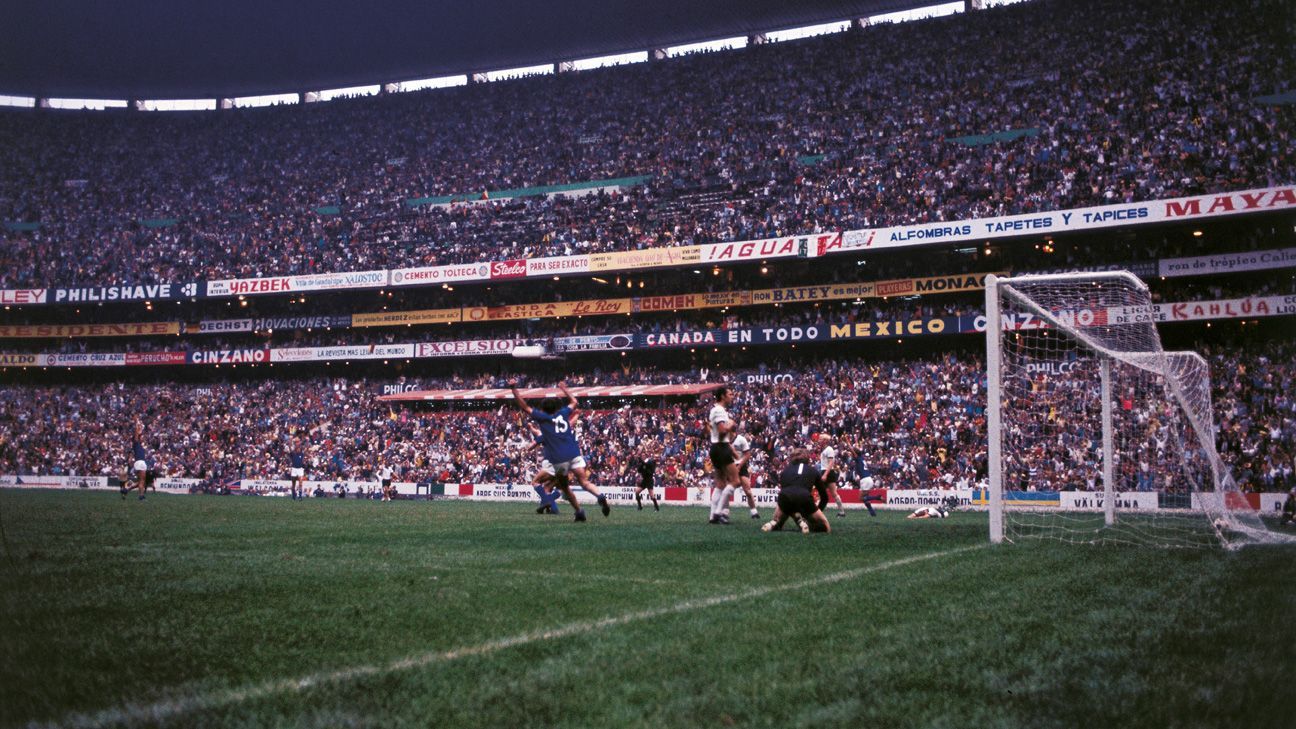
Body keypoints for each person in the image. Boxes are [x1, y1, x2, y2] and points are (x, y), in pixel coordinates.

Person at [509, 379, 611, 522]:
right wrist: (564, 389)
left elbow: (525, 407)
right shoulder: (563, 413)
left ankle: (579, 511)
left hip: (559, 459)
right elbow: (574, 402)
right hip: (574, 453)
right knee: (584, 482)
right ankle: (599, 496)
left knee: (565, 487)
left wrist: (513, 388)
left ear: (543, 409)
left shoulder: (543, 418)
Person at [761, 449, 831, 534]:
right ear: (807, 458)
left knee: (780, 519)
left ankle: (775, 522)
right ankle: (803, 521)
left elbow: (785, 493)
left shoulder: (785, 471)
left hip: (785, 497)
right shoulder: (813, 471)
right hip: (804, 498)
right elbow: (824, 497)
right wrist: (815, 510)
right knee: (825, 528)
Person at [706, 386, 741, 525]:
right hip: (721, 447)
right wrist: (731, 424)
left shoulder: (716, 410)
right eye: (730, 394)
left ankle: (712, 516)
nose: (733, 396)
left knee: (720, 483)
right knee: (735, 481)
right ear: (722, 396)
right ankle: (718, 512)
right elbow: (722, 431)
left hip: (716, 447)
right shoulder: (719, 411)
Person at [725, 433, 760, 520]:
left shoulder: (741, 439)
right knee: (726, 492)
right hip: (730, 467)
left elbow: (747, 455)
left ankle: (754, 512)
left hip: (741, 467)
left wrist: (739, 466)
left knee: (748, 491)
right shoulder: (724, 440)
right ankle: (725, 513)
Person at [626, 443, 660, 512]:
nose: (643, 456)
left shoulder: (650, 461)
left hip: (649, 480)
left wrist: (639, 459)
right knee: (637, 492)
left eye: (644, 455)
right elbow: (639, 470)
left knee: (651, 495)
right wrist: (638, 463)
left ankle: (656, 508)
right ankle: (640, 506)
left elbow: (647, 466)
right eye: (642, 455)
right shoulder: (642, 463)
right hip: (644, 480)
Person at [818, 440, 847, 518]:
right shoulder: (825, 450)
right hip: (827, 472)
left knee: (819, 493)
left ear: (824, 441)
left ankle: (815, 512)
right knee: (833, 493)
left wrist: (825, 474)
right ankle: (841, 512)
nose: (818, 442)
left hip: (827, 472)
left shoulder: (829, 449)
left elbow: (831, 463)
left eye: (820, 441)